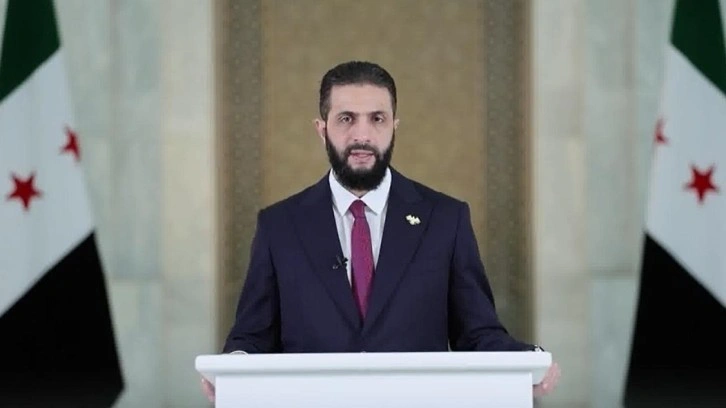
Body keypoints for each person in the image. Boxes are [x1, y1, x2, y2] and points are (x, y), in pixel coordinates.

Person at [202, 61, 560, 402]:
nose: (362, 135)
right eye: (346, 119)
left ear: (394, 127)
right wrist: (231, 369)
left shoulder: (445, 220)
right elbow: (252, 336)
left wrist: (528, 361)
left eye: (377, 119)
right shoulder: (279, 226)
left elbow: (478, 333)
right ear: (321, 129)